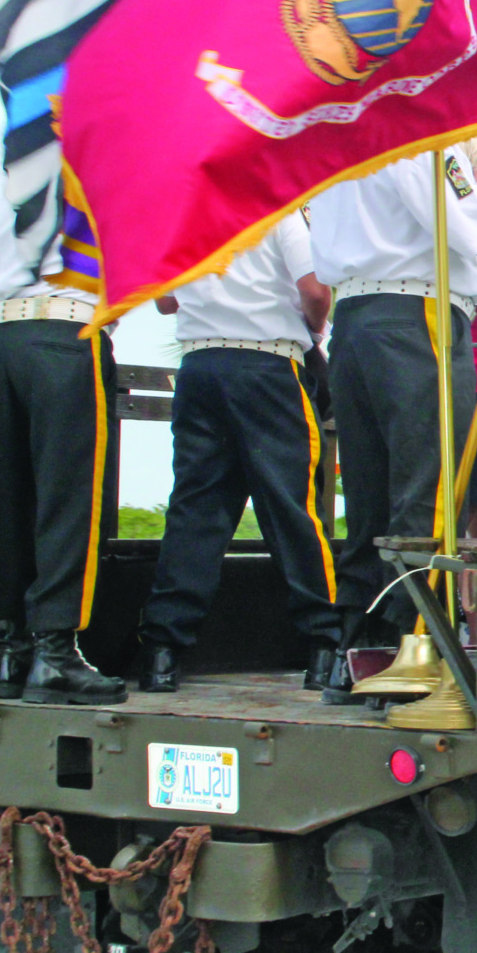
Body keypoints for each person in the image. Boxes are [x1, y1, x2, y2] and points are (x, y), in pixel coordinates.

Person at [307, 145, 477, 700]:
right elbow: (470, 230)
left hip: (358, 321)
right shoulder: (423, 139)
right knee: (430, 496)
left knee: (369, 503)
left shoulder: (346, 134)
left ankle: (356, 651)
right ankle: (415, 649)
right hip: (420, 317)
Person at [136, 213, 342, 693]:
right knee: (292, 508)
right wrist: (314, 331)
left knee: (195, 510)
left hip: (200, 363)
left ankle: (162, 652)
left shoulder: (190, 213)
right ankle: (324, 647)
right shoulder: (280, 211)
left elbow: (166, 299)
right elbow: (315, 291)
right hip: (267, 364)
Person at [0, 185, 123, 704]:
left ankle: (10, 648)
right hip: (63, 328)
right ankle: (55, 652)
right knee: (68, 499)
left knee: (10, 502)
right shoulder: (88, 147)